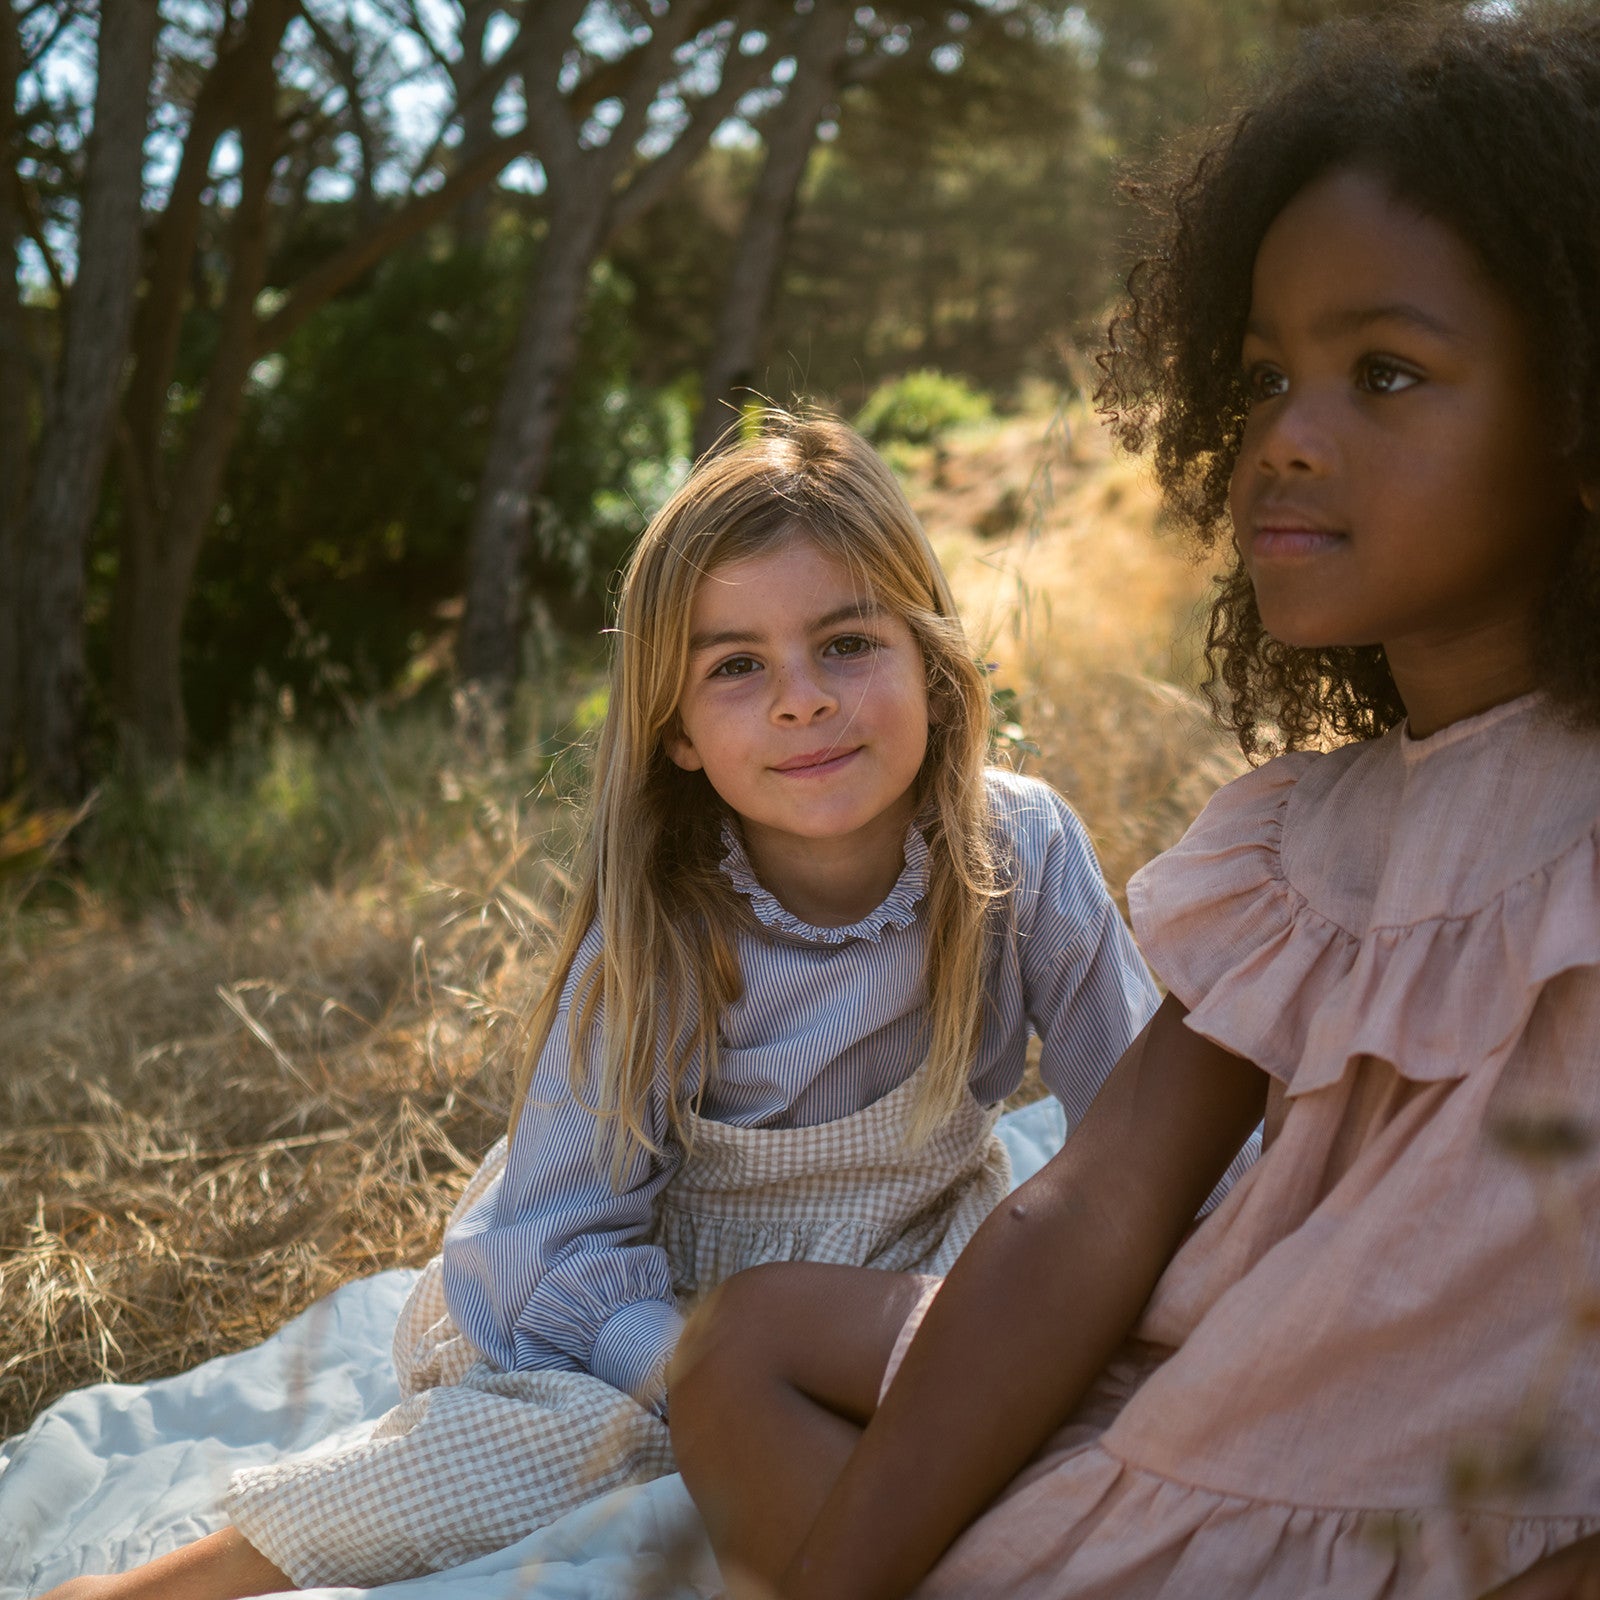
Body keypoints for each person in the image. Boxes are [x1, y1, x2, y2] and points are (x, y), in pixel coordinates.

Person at [668, 14, 1600, 1600]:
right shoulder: (1305, 838)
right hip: (1223, 1402)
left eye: (1385, 371)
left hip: (1508, 1513)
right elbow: (1090, 1216)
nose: (1283, 438)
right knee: (744, 1341)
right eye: (1260, 377)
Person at [43, 413, 1196, 1600]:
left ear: (933, 664)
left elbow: (1145, 1124)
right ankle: (170, 1580)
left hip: (915, 1262)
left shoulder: (1020, 849)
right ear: (678, 733)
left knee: (1066, 1420)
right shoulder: (669, 924)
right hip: (666, 1295)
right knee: (514, 1462)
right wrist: (692, 1374)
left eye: (847, 643)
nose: (801, 700)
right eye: (736, 666)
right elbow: (551, 1240)